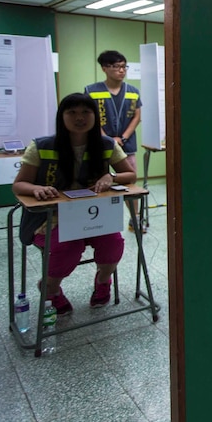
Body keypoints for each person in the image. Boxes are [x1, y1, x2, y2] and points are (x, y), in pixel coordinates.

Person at [12, 93, 137, 315]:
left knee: (113, 243)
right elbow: (19, 184)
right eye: (72, 112)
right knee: (68, 247)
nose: (79, 117)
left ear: (95, 116)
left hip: (94, 215)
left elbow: (129, 174)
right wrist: (36, 189)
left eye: (86, 112)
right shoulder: (42, 145)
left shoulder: (106, 144)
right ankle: (50, 288)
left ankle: (103, 280)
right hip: (51, 217)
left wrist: (111, 177)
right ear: (62, 116)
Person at [84, 50, 142, 231]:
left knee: (129, 182)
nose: (121, 70)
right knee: (96, 181)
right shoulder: (91, 91)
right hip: (99, 145)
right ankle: (96, 221)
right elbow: (89, 117)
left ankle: (135, 219)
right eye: (117, 66)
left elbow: (137, 117)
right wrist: (109, 139)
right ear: (104, 68)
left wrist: (123, 137)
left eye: (124, 66)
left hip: (127, 144)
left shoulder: (133, 91)